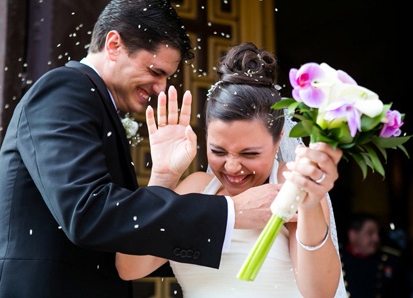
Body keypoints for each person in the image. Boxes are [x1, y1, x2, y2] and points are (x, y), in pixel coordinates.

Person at [0, 1, 283, 296]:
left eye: (167, 77)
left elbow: (129, 239)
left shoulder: (92, 99)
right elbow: (87, 212)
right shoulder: (64, 90)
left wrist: (164, 176)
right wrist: (229, 211)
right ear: (114, 44)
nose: (161, 87)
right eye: (155, 71)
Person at [115, 43, 347, 297]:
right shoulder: (197, 187)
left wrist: (310, 204)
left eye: (250, 154)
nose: (232, 166)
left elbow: (320, 292)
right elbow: (129, 267)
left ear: (279, 139)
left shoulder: (291, 185)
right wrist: (163, 176)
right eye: (219, 151)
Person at [341, 213, 410, 298]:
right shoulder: (337, 260)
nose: (376, 239)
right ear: (353, 235)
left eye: (378, 234)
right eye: (370, 233)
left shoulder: (390, 260)